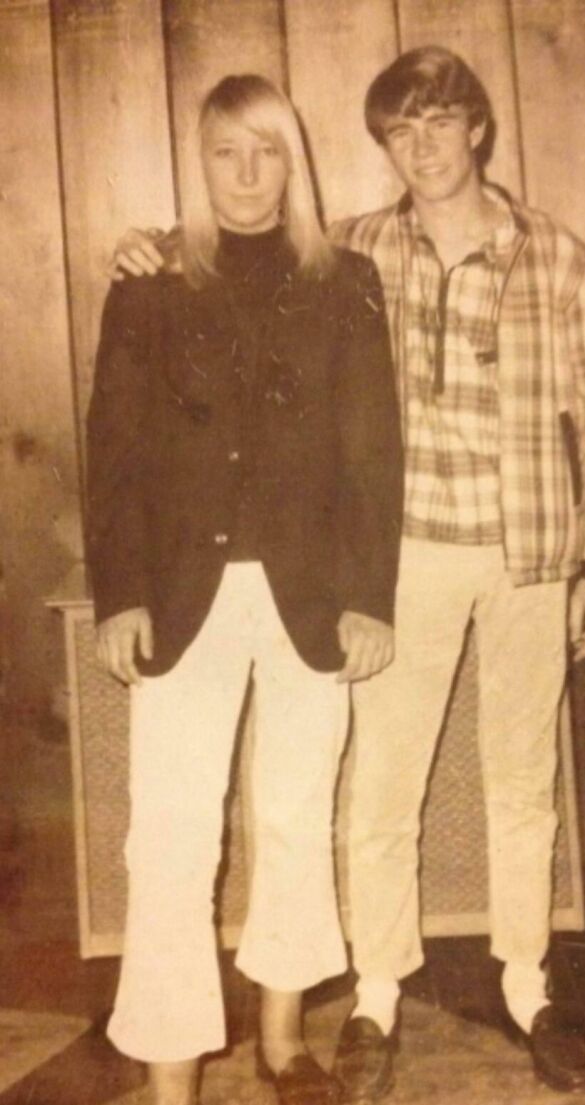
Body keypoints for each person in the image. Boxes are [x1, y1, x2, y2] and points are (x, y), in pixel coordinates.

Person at [110, 46, 585, 1098]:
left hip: (531, 555)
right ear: (380, 149)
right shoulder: (360, 251)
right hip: (408, 556)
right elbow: (235, 247)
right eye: (400, 132)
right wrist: (147, 243)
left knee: (520, 781)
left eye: (440, 123)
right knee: (378, 794)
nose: (423, 148)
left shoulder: (558, 257)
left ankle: (527, 980)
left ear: (478, 129)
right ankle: (373, 992)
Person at [88, 73, 403, 1105]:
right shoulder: (147, 282)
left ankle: (279, 1037)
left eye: (267, 152)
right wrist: (121, 593)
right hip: (182, 599)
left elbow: (373, 455)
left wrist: (369, 597)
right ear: (202, 159)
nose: (248, 175)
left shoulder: (345, 279)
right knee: (170, 830)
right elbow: (117, 455)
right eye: (227, 152)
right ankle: (171, 1069)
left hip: (312, 597)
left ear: (293, 162)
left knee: (294, 812)